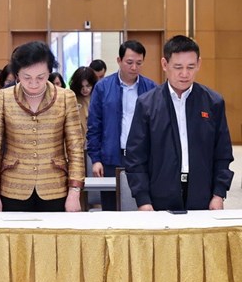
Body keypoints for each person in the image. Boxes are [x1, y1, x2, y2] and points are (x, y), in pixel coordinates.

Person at [125, 35, 234, 211]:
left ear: (198, 64)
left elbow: (223, 153)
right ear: (164, 64)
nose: (185, 74)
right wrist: (143, 200)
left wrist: (218, 194)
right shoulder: (147, 104)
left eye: (190, 67)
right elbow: (135, 156)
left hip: (203, 195)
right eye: (178, 67)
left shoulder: (213, 102)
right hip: (159, 196)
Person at [0, 41, 84, 212]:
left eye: (40, 77)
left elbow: (75, 148)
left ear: (49, 72)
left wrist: (74, 192)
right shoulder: (2, 98)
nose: (34, 83)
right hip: (13, 186)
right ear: (17, 74)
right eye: (27, 77)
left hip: (55, 186)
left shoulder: (66, 98)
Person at [86, 40, 156, 210]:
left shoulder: (151, 88)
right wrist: (96, 159)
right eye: (129, 62)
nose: (134, 67)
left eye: (139, 63)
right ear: (119, 60)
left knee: (143, 205)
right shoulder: (103, 87)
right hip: (111, 157)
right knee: (111, 208)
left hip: (142, 158)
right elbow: (94, 126)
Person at [69, 67, 98, 138]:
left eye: (88, 86)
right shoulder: (72, 99)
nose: (85, 89)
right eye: (81, 86)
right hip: (78, 139)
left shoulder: (99, 98)